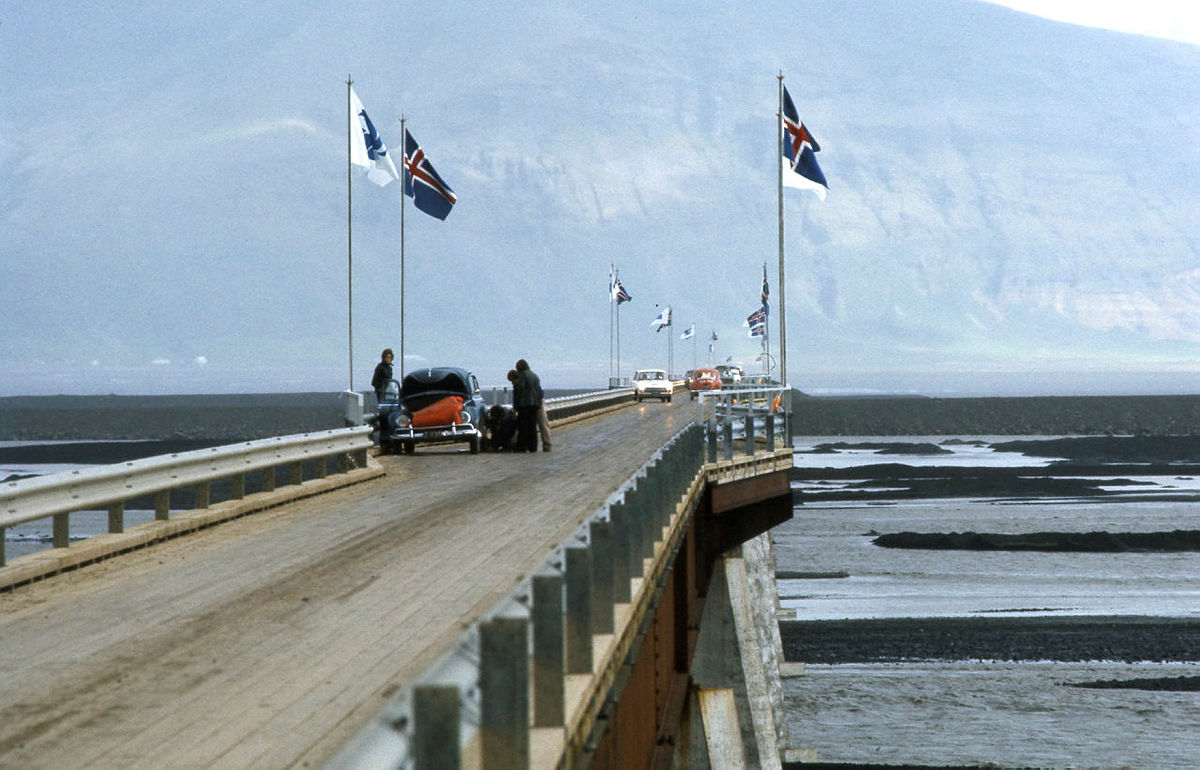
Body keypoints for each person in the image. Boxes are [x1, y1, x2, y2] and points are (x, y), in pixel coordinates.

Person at [512, 358, 543, 453]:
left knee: (523, 426)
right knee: (532, 426)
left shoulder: (522, 375)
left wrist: (516, 405)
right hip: (535, 405)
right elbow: (540, 392)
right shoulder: (535, 376)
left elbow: (520, 390)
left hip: (525, 405)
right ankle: (533, 447)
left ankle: (522, 447)